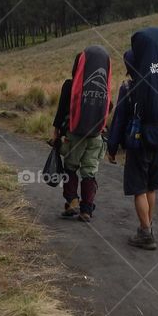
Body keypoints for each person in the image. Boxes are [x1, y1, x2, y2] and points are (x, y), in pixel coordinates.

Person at [107, 49, 158, 250]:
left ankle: (145, 233)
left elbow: (119, 120)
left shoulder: (128, 88)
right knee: (150, 187)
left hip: (138, 146)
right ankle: (148, 226)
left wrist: (111, 147)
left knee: (138, 188)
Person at [52, 50, 110, 222]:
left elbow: (61, 111)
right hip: (96, 135)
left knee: (70, 168)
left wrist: (56, 133)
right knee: (89, 172)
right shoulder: (103, 84)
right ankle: (86, 210)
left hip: (74, 135)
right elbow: (109, 106)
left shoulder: (70, 85)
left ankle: (72, 202)